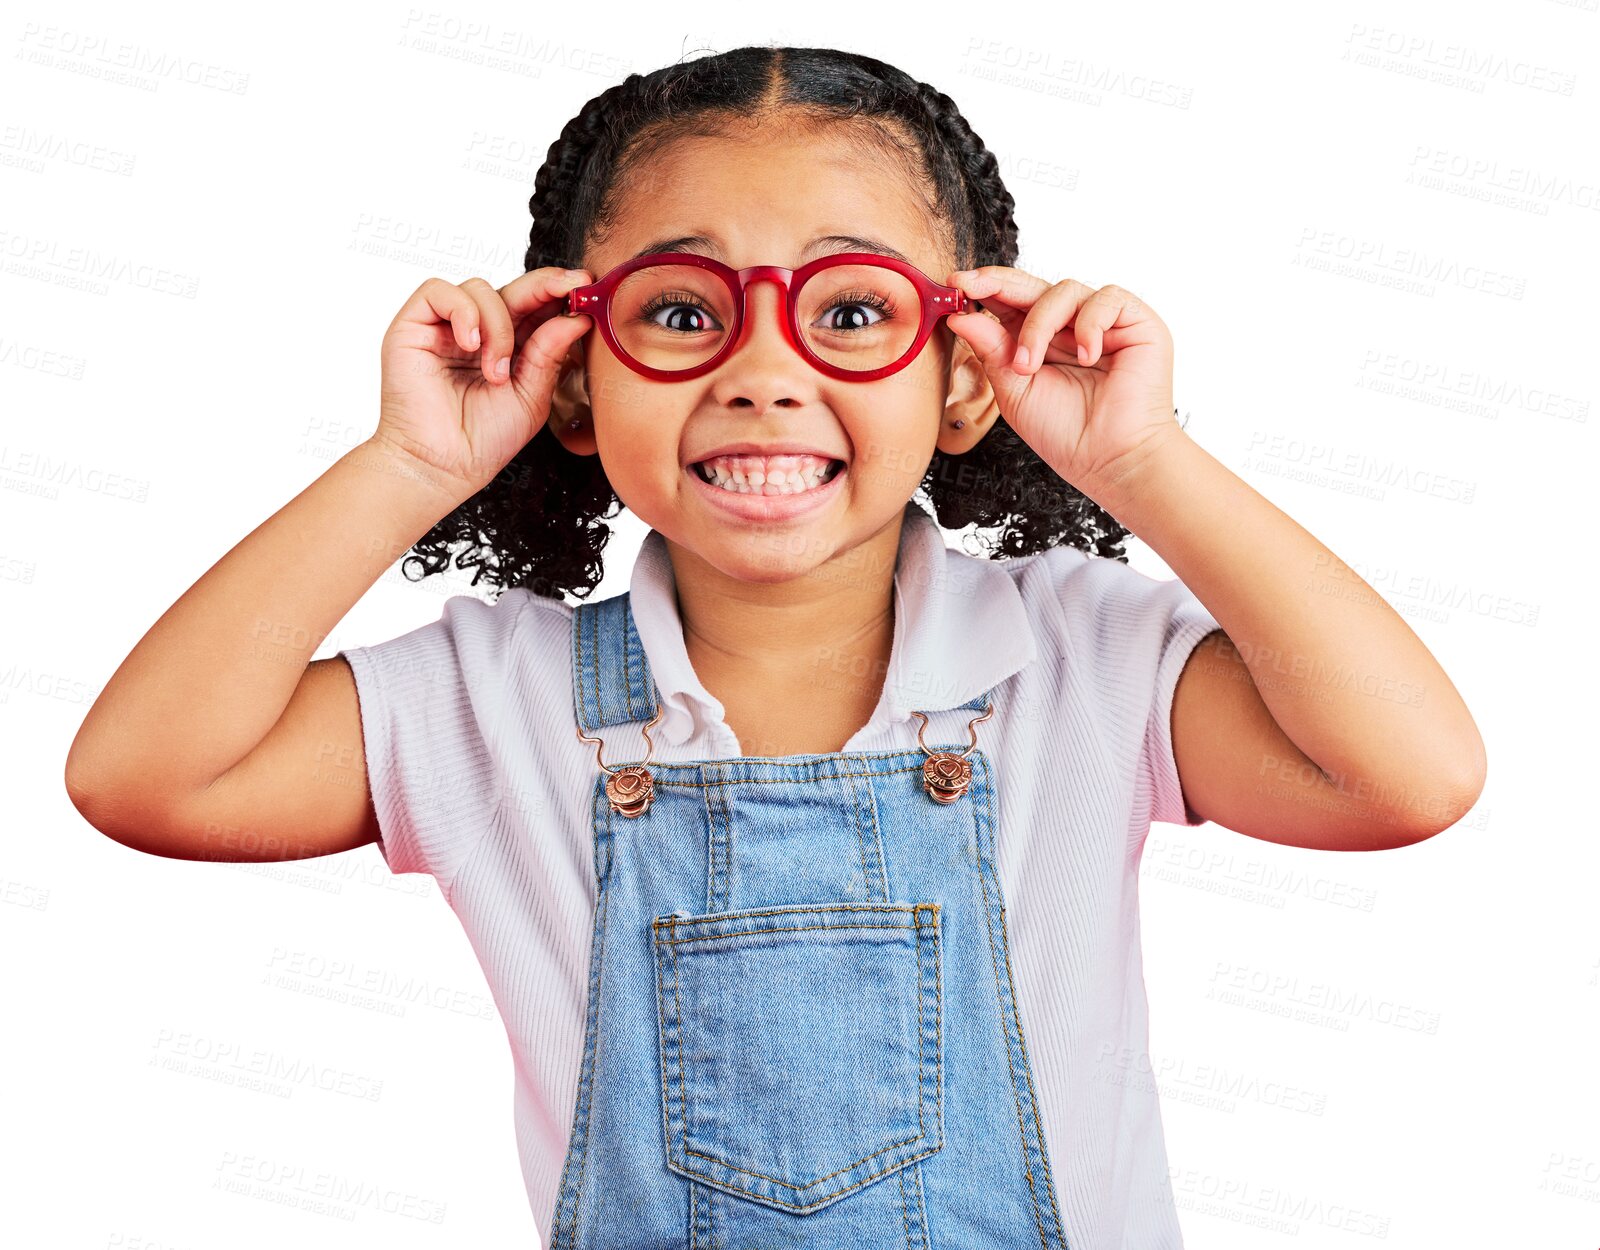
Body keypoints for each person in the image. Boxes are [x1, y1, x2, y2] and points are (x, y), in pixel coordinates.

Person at [64, 44, 1486, 1250]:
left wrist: (1148, 459)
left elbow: (1405, 775)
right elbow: (150, 776)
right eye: (681, 312)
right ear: (571, 374)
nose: (762, 369)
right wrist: (404, 464)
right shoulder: (495, 697)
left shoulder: (1084, 659)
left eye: (852, 311)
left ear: (967, 377)